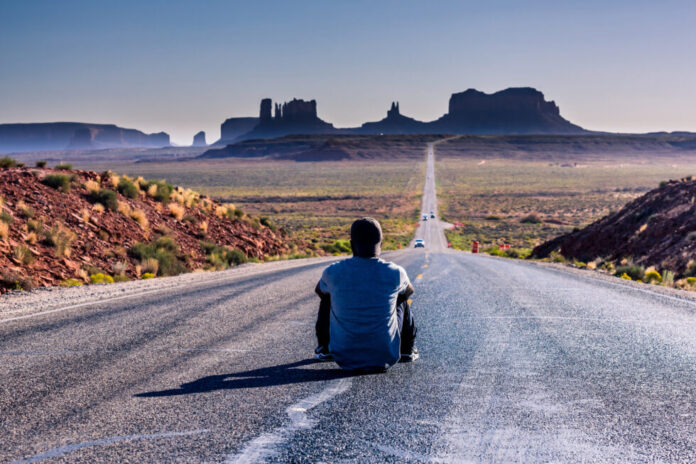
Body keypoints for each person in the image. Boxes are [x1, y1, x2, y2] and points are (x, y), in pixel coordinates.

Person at [314, 217, 418, 371]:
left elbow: (319, 291)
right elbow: (409, 291)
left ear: (351, 245)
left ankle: (324, 348)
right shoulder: (395, 272)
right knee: (401, 297)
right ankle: (406, 350)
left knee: (328, 296)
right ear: (381, 245)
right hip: (385, 356)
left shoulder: (333, 272)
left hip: (343, 357)